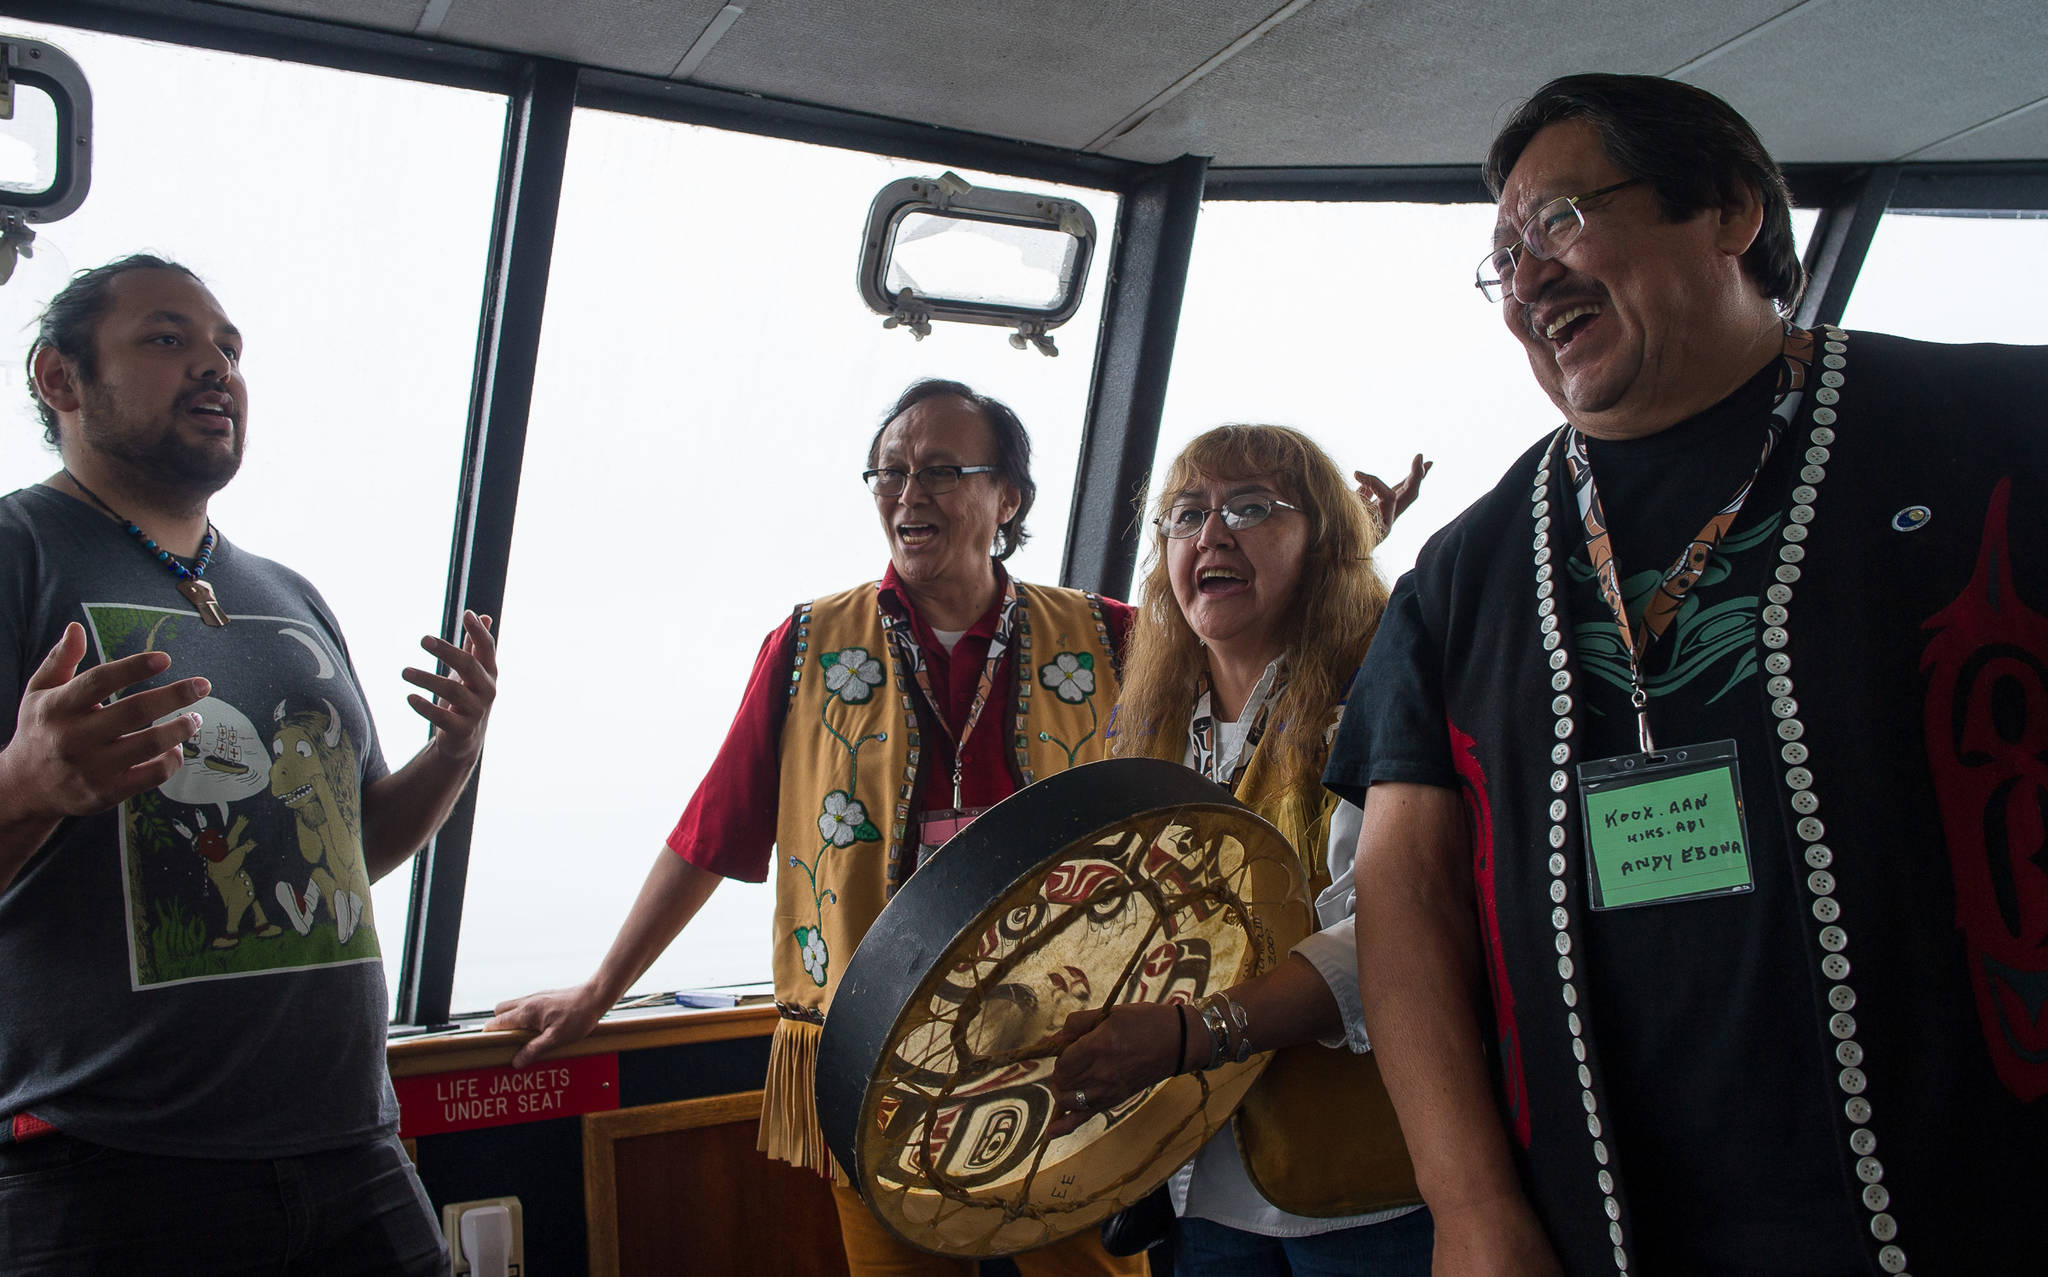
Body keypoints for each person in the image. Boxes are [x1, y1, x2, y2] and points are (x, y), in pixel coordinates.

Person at [1324, 73, 2048, 1276]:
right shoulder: (1462, 573)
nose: (1526, 279)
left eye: (1558, 219)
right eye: (1501, 256)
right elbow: (1406, 902)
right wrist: (1470, 1210)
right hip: (1601, 1234)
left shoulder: (1998, 426)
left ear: (1725, 210)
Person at [488, 378, 1147, 1276]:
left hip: (1067, 1052)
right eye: (890, 471)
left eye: (942, 470)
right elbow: (711, 833)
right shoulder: (808, 647)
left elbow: (1239, 722)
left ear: (1010, 497)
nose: (908, 493)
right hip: (876, 1053)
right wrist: (601, 989)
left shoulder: (1110, 639)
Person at [0, 255, 499, 1274]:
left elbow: (350, 845)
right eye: (168, 338)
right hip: (104, 1169)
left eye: (230, 347)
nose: (216, 366)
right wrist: (27, 782)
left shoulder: (287, 593)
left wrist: (455, 751)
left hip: (352, 1147)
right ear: (61, 379)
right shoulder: (18, 553)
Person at [1046, 425, 1431, 1275]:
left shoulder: (1374, 699)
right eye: (1185, 515)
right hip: (1198, 1193)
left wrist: (1191, 1034)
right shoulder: (1148, 727)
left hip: (1366, 1191)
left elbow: (1389, 942)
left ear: (1325, 543)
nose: (1211, 535)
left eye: (1249, 508)